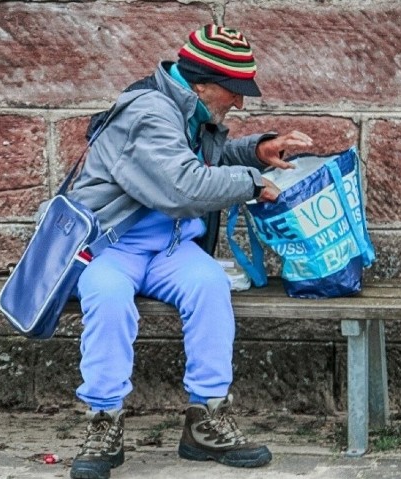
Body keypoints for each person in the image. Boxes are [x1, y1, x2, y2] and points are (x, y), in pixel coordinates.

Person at [65, 24, 314, 479]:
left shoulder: (188, 107)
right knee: (106, 297)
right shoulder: (149, 112)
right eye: (233, 91)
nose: (239, 102)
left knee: (209, 285)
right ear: (201, 82)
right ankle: (103, 420)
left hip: (171, 245)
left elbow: (200, 161)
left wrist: (257, 152)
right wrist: (254, 184)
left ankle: (207, 419)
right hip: (112, 245)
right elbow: (183, 186)